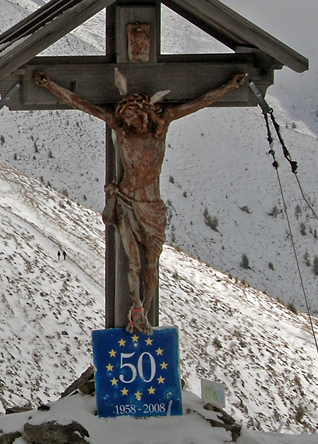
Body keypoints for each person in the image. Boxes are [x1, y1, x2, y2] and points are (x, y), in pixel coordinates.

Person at [31, 68, 249, 333]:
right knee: (133, 261)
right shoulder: (122, 132)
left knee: (151, 263)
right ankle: (137, 309)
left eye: (135, 118)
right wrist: (51, 85)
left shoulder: (162, 124)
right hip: (127, 201)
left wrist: (230, 86)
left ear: (145, 112)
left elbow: (198, 102)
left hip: (152, 207)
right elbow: (84, 105)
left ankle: (145, 306)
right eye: (128, 119)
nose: (133, 123)